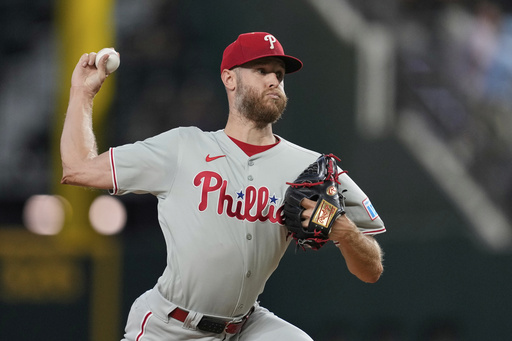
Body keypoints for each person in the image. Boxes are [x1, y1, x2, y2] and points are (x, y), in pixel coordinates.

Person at [60, 32, 386, 341]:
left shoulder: (310, 169)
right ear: (229, 78)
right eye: (261, 70)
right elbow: (77, 169)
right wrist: (82, 94)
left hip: (245, 327)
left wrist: (345, 232)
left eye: (279, 74)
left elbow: (371, 271)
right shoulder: (183, 148)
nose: (274, 80)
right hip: (170, 327)